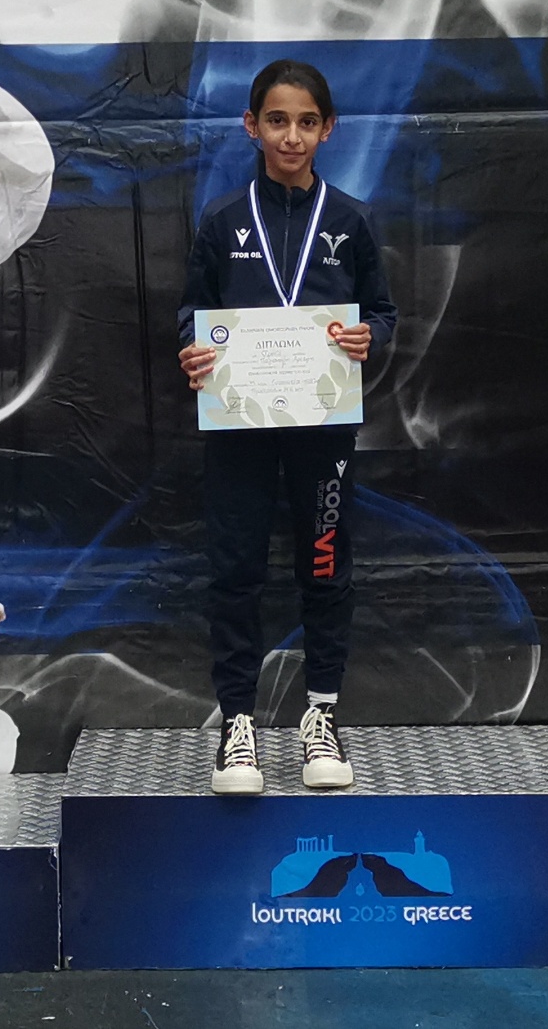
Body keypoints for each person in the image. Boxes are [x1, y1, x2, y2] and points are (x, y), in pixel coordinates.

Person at [177, 60, 399, 795]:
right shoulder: (222, 220)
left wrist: (370, 336)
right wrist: (193, 350)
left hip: (323, 428)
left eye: (306, 122)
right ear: (252, 126)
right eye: (277, 121)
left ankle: (322, 716)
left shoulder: (351, 220)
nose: (291, 136)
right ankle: (238, 724)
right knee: (235, 570)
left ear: (328, 129)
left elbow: (383, 312)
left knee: (326, 566)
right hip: (239, 424)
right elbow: (192, 312)